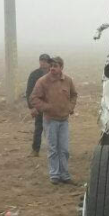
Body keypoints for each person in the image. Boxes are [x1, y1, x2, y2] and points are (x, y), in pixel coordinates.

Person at [29, 56, 78, 185]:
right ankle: (55, 175)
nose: (52, 69)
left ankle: (65, 175)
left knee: (64, 149)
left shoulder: (68, 81)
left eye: (55, 66)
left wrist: (70, 107)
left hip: (64, 120)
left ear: (61, 67)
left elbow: (74, 95)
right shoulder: (42, 81)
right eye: (51, 66)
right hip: (50, 121)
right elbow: (34, 98)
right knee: (53, 149)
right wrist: (46, 108)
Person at [25, 54, 51, 157]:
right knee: (38, 127)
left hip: (52, 105)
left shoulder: (54, 74)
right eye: (41, 61)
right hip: (39, 105)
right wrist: (32, 107)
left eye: (45, 61)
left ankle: (53, 150)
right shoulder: (34, 74)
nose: (43, 63)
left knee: (53, 128)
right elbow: (29, 91)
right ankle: (35, 150)